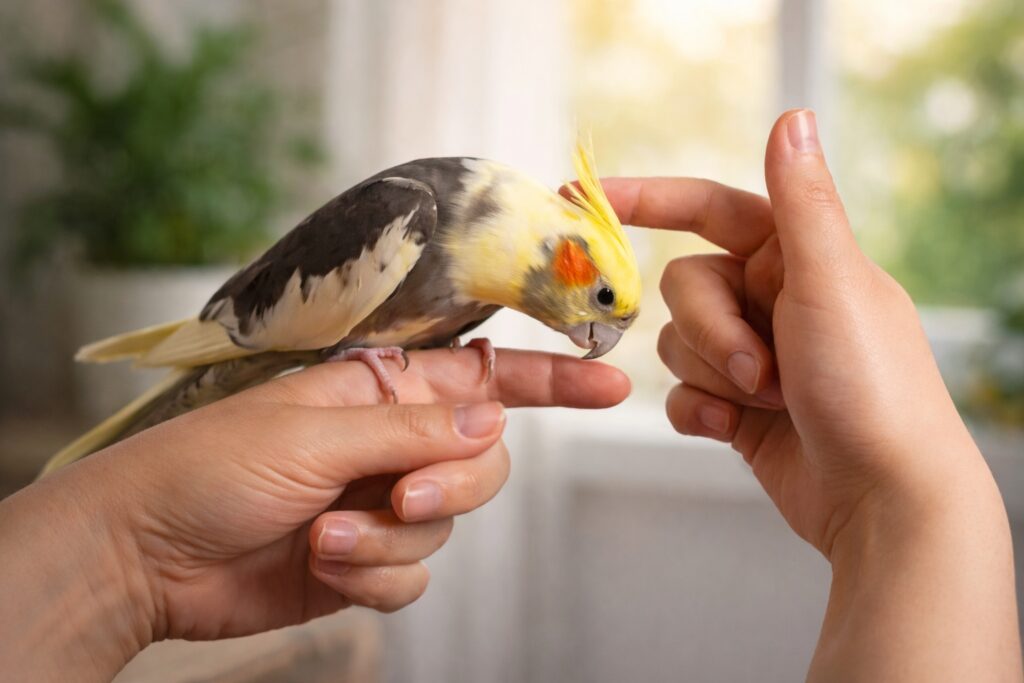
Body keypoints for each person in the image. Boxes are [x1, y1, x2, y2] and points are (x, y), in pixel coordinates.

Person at [0, 110, 1020, 682]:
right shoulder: (415, 213)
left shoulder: (483, 282)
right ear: (571, 254)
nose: (598, 328)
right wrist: (908, 507)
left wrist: (118, 561)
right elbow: (282, 333)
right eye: (603, 303)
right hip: (254, 339)